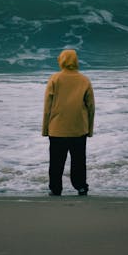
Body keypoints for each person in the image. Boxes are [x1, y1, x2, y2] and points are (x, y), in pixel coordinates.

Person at [42, 49, 95, 196]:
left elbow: (47, 107)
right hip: (79, 128)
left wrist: (45, 129)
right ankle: (81, 187)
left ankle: (56, 188)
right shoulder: (84, 80)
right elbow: (91, 107)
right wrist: (89, 129)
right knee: (79, 161)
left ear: (62, 60)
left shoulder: (54, 79)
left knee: (56, 162)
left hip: (57, 128)